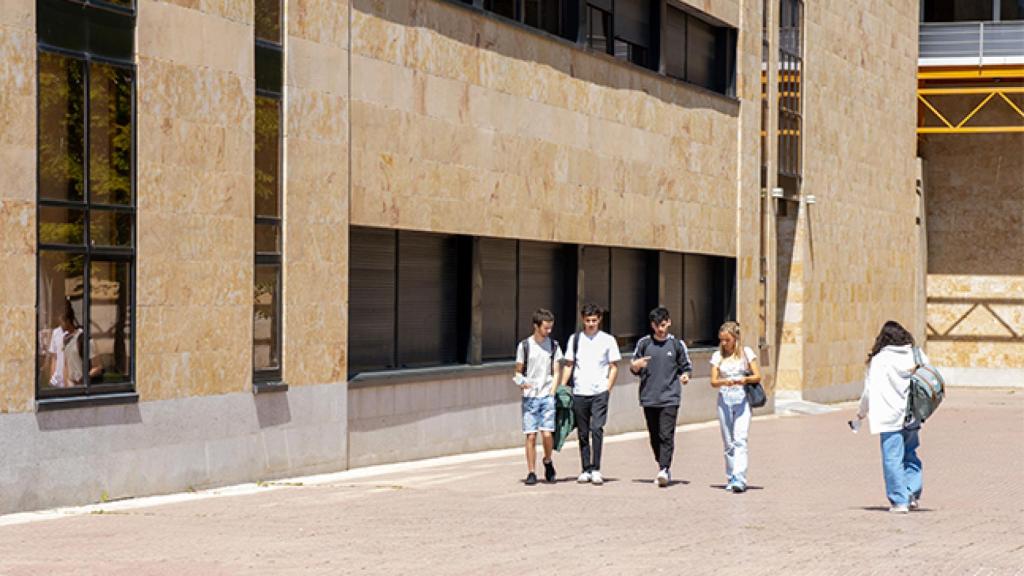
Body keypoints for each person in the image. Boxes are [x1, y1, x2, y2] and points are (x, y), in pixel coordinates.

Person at [854, 320, 927, 514]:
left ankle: (899, 501)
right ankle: (911, 493)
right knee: (910, 454)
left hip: (889, 417)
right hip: (913, 415)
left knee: (892, 458)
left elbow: (869, 392)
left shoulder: (879, 360)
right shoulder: (915, 354)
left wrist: (861, 413)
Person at [630, 307, 692, 487]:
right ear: (652, 325)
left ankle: (664, 468)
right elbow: (633, 366)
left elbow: (686, 366)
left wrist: (686, 375)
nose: (660, 329)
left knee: (666, 434)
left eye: (663, 325)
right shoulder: (644, 344)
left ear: (669, 323)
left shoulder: (677, 345)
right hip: (649, 397)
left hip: (670, 397)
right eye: (657, 326)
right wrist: (637, 366)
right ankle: (661, 463)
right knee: (654, 435)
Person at [561, 303, 621, 485]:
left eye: (594, 320)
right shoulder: (575, 339)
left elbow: (614, 366)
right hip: (580, 391)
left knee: (597, 429)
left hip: (599, 391)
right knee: (582, 432)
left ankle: (596, 468)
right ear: (582, 320)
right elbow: (569, 364)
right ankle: (585, 468)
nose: (591, 324)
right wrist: (562, 387)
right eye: (588, 321)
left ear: (600, 320)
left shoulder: (608, 340)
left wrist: (607, 388)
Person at [710, 321, 761, 493]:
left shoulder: (746, 353)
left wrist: (744, 379)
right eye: (722, 340)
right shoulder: (718, 356)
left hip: (742, 399)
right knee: (728, 442)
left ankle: (740, 478)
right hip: (725, 399)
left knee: (740, 439)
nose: (724, 343)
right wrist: (726, 381)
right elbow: (713, 381)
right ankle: (730, 475)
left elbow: (757, 376)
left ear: (735, 339)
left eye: (727, 340)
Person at [514, 309, 564, 486]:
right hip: (530, 397)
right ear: (536, 326)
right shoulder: (525, 346)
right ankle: (531, 471)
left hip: (546, 395)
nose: (548, 331)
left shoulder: (554, 346)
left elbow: (557, 370)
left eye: (551, 328)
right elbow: (518, 371)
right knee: (531, 436)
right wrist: (522, 383)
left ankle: (548, 460)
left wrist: (552, 390)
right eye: (545, 328)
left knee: (547, 434)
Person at [47, 299, 101, 388]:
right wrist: (53, 381)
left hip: (80, 386)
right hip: (66, 385)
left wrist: (84, 378)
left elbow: (97, 366)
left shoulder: (84, 338)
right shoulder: (63, 338)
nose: (60, 326)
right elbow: (61, 362)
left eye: (62, 322)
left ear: (68, 320)